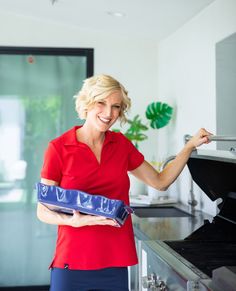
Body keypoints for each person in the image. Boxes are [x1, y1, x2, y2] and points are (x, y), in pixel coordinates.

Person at [37, 74, 211, 291]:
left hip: (115, 262)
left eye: (116, 106)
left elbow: (160, 181)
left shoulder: (121, 145)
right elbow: (42, 210)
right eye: (101, 102)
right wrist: (75, 222)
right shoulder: (59, 148)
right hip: (72, 262)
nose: (109, 113)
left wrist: (188, 147)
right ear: (87, 103)